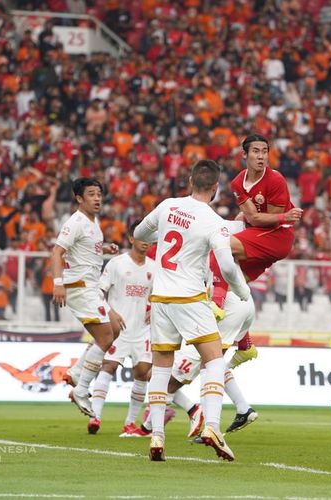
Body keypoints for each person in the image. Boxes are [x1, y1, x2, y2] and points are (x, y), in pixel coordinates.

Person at [133, 159, 251, 462]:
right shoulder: (212, 221)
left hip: (160, 298)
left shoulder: (168, 206)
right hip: (189, 298)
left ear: (189, 180)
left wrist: (164, 237)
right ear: (215, 187)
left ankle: (157, 434)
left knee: (161, 366)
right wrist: (241, 290)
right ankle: (212, 425)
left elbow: (139, 234)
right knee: (213, 360)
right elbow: (226, 265)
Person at [226, 134, 304, 367]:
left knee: (221, 247)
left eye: (264, 151)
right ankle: (244, 344)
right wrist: (268, 216)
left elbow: (264, 221)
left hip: (277, 236)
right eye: (256, 151)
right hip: (264, 232)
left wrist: (280, 217)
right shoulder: (237, 183)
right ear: (245, 155)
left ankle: (215, 303)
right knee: (233, 282)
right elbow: (253, 217)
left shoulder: (276, 180)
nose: (261, 156)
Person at [51, 178, 120, 417]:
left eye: (99, 194)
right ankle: (81, 389)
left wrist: (106, 247)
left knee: (115, 328)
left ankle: (77, 372)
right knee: (106, 337)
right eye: (91, 194)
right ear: (79, 198)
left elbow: (85, 248)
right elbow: (57, 252)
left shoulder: (93, 222)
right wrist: (58, 283)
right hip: (80, 288)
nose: (97, 198)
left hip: (90, 287)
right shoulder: (76, 222)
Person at [86, 221, 158, 436]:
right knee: (108, 366)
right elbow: (98, 292)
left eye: (150, 238)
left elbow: (157, 296)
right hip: (119, 328)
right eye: (142, 237)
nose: (146, 242)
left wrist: (153, 308)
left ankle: (129, 422)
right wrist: (111, 313)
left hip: (143, 330)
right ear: (131, 239)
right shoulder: (117, 263)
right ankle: (95, 416)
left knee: (143, 373)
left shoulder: (154, 268)